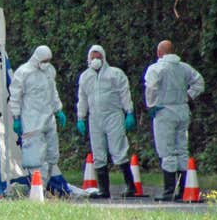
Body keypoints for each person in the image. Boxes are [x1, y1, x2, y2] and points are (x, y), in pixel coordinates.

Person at [144, 40, 204, 201]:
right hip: (182, 111)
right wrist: (188, 96)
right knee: (182, 150)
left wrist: (151, 106)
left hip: (164, 112)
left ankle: (169, 191)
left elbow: (151, 88)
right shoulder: (184, 67)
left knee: (167, 151)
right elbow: (199, 83)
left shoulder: (157, 68)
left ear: (159, 53)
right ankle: (184, 190)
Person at [76, 44, 137, 198]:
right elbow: (82, 99)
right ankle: (104, 190)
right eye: (93, 57)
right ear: (88, 59)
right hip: (94, 117)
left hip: (113, 115)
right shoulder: (85, 77)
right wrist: (80, 117)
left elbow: (124, 93)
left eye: (98, 57)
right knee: (98, 152)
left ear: (103, 58)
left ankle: (130, 186)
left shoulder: (115, 74)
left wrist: (129, 111)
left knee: (119, 149)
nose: (95, 60)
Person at [9, 45, 67, 187]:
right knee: (35, 158)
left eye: (49, 60)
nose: (46, 63)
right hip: (32, 121)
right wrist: (16, 118)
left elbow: (53, 92)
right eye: (44, 60)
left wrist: (58, 110)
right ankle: (37, 189)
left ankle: (44, 187)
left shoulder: (49, 71)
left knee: (52, 156)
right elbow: (15, 96)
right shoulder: (23, 72)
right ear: (37, 57)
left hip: (48, 120)